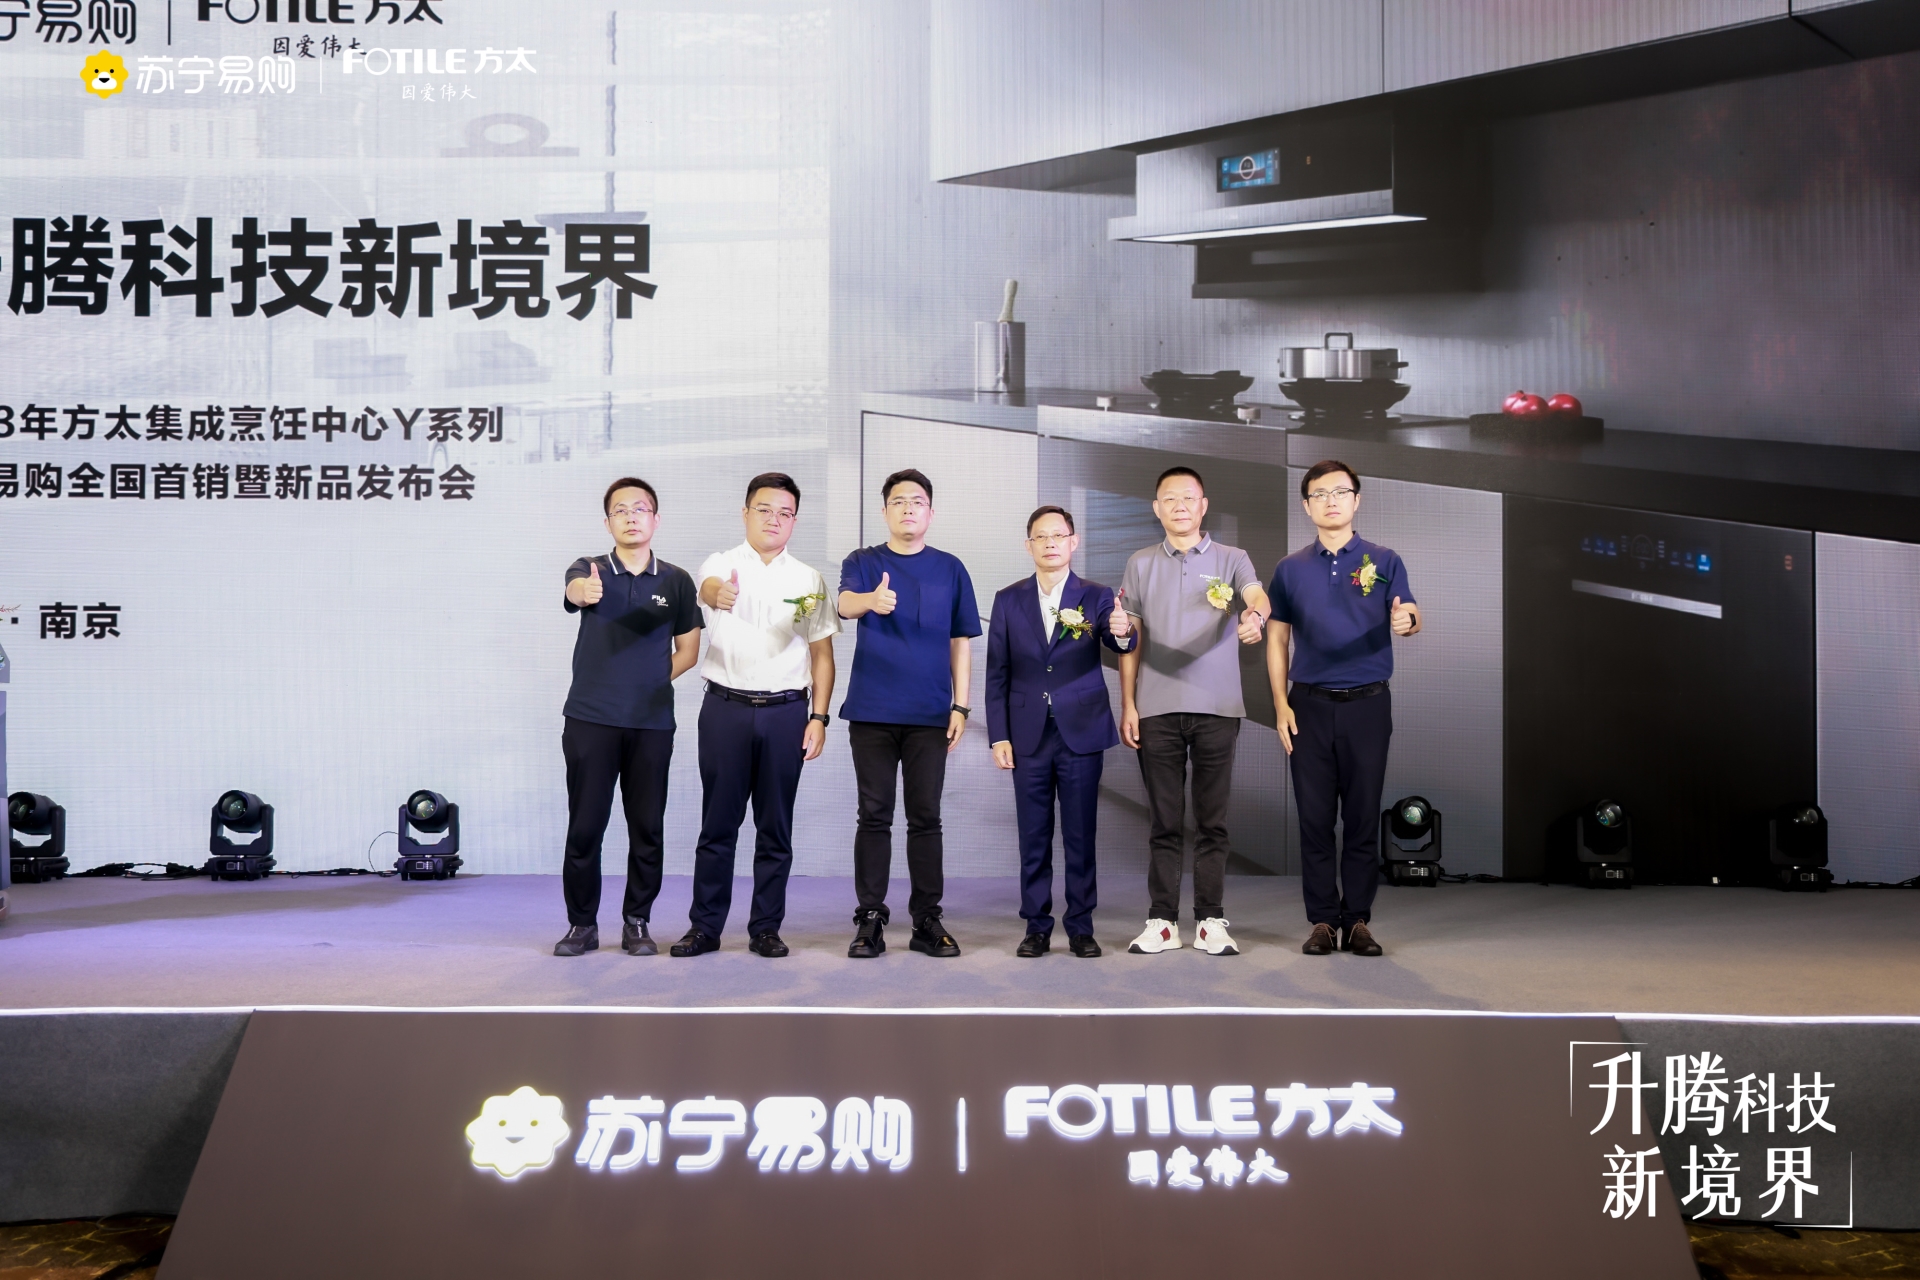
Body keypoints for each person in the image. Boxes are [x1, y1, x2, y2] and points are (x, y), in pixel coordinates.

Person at [672, 472, 840, 959]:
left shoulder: (808, 580)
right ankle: (704, 928)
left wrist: (819, 717)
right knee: (717, 826)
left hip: (787, 714)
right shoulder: (721, 563)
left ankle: (766, 928)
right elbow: (709, 589)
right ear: (745, 513)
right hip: (725, 709)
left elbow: (822, 654)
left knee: (775, 829)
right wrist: (717, 594)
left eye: (785, 512)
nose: (774, 519)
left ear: (794, 521)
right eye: (764, 509)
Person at [1266, 460, 1422, 958]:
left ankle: (1357, 921)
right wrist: (1280, 705)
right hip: (1307, 707)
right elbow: (1277, 639)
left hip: (1368, 706)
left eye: (1340, 492)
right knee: (1314, 820)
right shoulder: (1289, 568)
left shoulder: (1384, 559)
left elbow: (1409, 611)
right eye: (1320, 494)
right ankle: (1321, 921)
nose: (1330, 501)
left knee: (1360, 818)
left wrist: (1408, 621)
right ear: (1306, 505)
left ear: (1356, 500)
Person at [1117, 465, 1271, 957]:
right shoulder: (1140, 562)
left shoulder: (1232, 558)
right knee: (1163, 822)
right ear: (1156, 508)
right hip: (1156, 708)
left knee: (1212, 821)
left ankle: (1210, 919)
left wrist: (1255, 615)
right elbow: (1130, 639)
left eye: (1189, 498)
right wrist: (1128, 703)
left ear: (1204, 505)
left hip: (1217, 708)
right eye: (1170, 498)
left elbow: (1256, 595)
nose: (1180, 506)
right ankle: (1162, 921)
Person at [836, 467, 982, 959]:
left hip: (930, 714)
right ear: (884, 511)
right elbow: (844, 604)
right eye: (898, 501)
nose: (908, 509)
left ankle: (927, 920)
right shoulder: (863, 561)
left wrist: (960, 704)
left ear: (930, 513)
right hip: (872, 711)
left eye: (917, 501)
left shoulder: (951, 568)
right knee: (873, 816)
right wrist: (871, 600)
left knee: (926, 817)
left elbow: (961, 641)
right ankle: (870, 918)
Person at [553, 478, 702, 958]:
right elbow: (575, 589)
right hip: (590, 719)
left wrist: (651, 682)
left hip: (651, 723)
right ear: (608, 522)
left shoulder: (676, 580)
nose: (631, 517)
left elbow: (689, 650)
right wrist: (583, 591)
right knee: (585, 827)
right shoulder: (590, 568)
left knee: (647, 829)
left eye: (640, 509)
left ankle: (637, 921)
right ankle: (581, 925)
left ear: (656, 519)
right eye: (621, 510)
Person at [985, 505, 1135, 958]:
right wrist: (999, 735)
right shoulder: (1008, 599)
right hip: (1026, 734)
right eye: (1041, 536)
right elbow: (997, 673)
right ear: (1028, 545)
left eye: (1058, 535)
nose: (1050, 543)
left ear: (1074, 541)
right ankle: (1036, 926)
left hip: (1081, 731)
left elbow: (1117, 641)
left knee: (1080, 834)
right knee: (1033, 835)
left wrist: (1123, 631)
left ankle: (1081, 926)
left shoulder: (1096, 595)